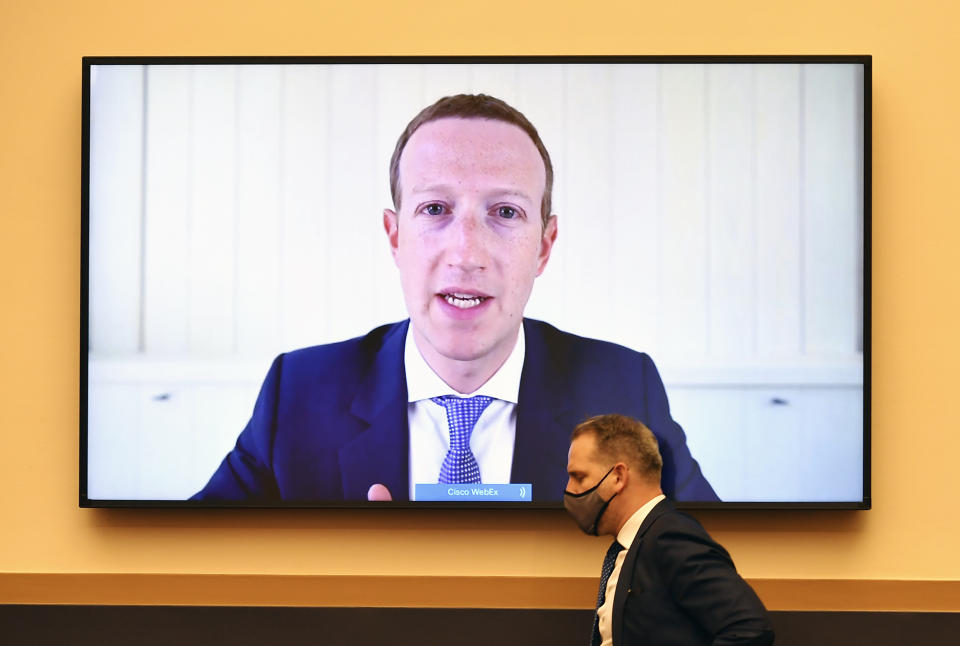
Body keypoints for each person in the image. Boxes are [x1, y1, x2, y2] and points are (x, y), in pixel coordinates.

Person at [192, 94, 718, 503]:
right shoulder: (299, 394)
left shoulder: (625, 392)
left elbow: (717, 575)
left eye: (505, 213)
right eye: (436, 209)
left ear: (545, 245)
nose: (466, 252)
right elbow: (185, 565)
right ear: (395, 237)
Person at [564, 414, 773, 646]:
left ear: (618, 476)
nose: (569, 489)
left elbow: (749, 628)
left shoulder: (670, 536)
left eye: (579, 477)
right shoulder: (632, 544)